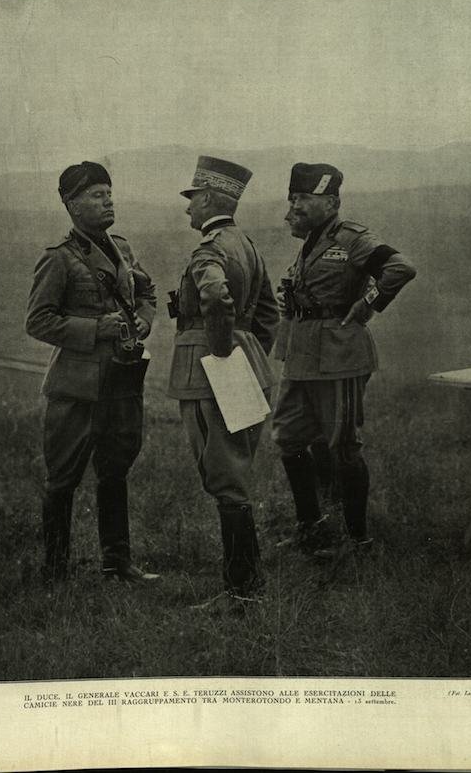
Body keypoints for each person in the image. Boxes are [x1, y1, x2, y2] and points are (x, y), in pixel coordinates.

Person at [26, 160, 159, 587]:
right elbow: (38, 321)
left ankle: (117, 563)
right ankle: (55, 572)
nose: (108, 201)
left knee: (115, 470)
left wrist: (144, 319)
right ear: (72, 204)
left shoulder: (122, 249)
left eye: (109, 193)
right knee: (62, 479)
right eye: (97, 195)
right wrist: (95, 328)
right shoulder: (58, 259)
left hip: (121, 378)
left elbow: (147, 291)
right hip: (77, 387)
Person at [272, 162, 416, 553]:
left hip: (339, 355)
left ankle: (357, 540)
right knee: (288, 437)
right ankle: (312, 527)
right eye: (293, 197)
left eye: (305, 198)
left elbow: (401, 267)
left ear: (332, 203)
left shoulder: (353, 238)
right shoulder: (310, 242)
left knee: (343, 445)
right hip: (301, 355)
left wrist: (368, 304)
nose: (295, 205)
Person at [167, 155, 279, 606]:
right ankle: (246, 585)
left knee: (224, 477)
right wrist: (248, 353)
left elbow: (214, 296)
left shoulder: (210, 249)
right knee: (234, 472)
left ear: (210, 199)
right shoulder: (247, 245)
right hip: (243, 362)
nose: (188, 207)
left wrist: (219, 352)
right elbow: (268, 313)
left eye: (193, 199)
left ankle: (242, 591)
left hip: (210, 371)